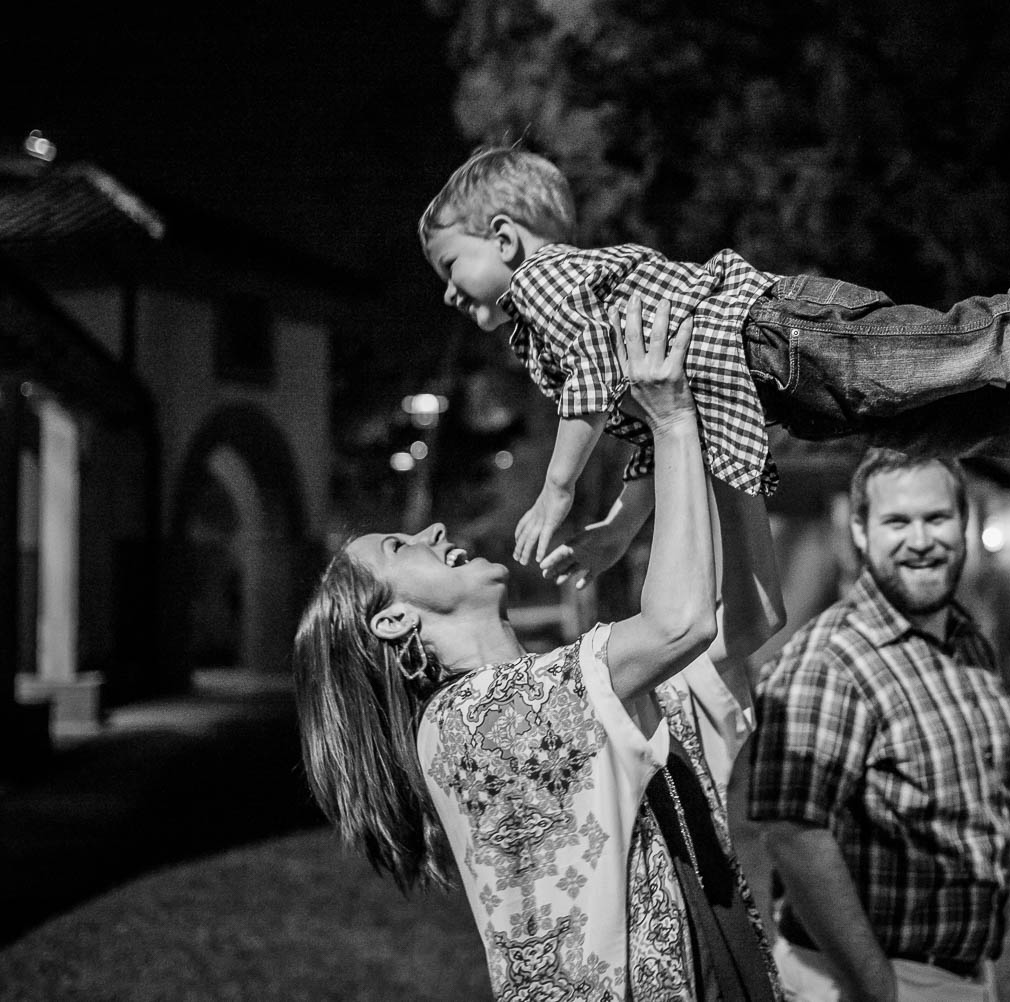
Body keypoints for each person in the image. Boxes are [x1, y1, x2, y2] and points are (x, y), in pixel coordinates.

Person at [418, 145, 1010, 579]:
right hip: (799, 398)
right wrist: (614, 535)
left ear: (502, 239)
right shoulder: (548, 337)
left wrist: (560, 491)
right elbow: (647, 434)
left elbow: (593, 383)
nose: (452, 295)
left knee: (978, 340)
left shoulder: (551, 280)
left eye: (452, 270)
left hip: (791, 339)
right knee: (990, 425)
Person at [293, 298, 787, 1002]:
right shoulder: (469, 724)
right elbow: (681, 625)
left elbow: (746, 618)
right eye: (401, 547)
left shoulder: (573, 696)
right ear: (394, 622)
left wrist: (730, 420)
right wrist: (674, 421)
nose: (432, 529)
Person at [747, 447, 1010, 1002]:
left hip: (960, 973)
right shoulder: (829, 660)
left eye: (936, 518)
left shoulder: (967, 642)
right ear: (859, 531)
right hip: (856, 980)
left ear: (964, 523)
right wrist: (877, 987)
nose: (920, 540)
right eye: (897, 522)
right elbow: (792, 833)